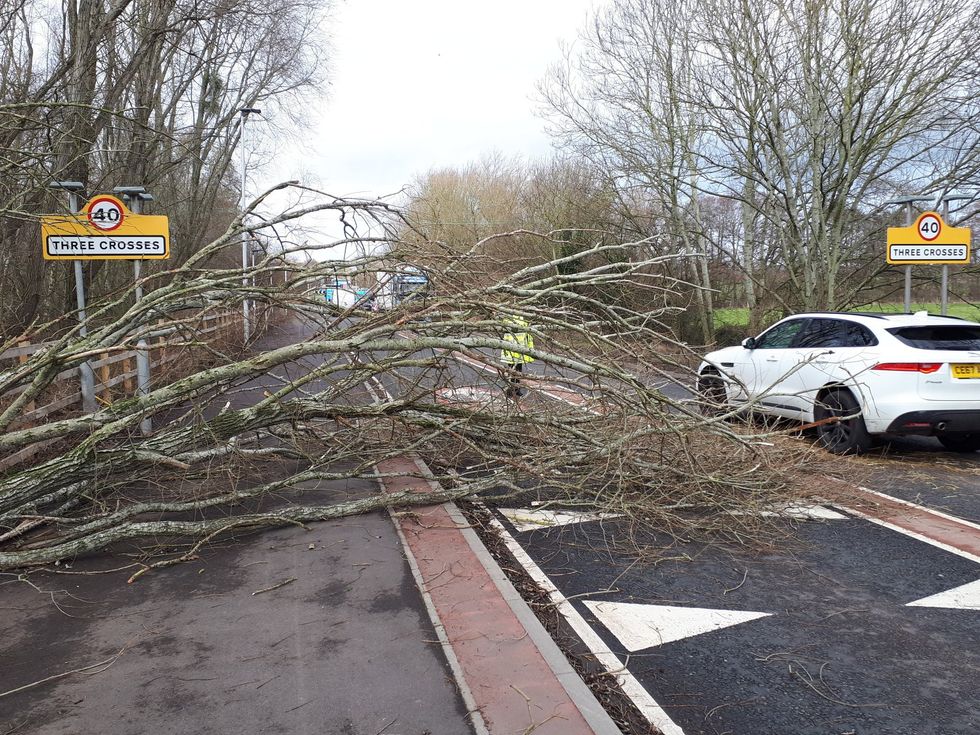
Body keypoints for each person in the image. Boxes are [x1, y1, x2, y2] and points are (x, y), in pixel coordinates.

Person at [500, 315, 534, 398]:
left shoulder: (507, 321)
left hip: (510, 352)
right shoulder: (523, 323)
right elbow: (528, 337)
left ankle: (514, 390)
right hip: (518, 352)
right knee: (516, 372)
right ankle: (513, 390)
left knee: (513, 372)